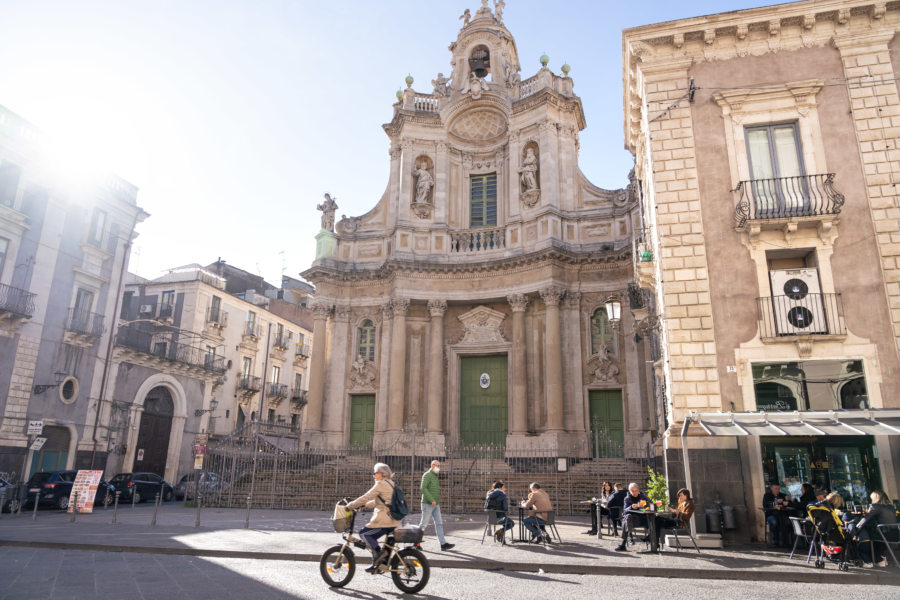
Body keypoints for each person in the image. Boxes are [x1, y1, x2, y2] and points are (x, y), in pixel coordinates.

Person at [346, 462, 401, 573]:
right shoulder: (391, 483)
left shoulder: (380, 484)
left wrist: (350, 506)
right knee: (384, 546)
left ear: (381, 473)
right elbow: (382, 500)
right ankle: (380, 564)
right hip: (395, 520)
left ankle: (378, 554)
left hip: (385, 520)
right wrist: (366, 505)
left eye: (375, 473)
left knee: (364, 533)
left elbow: (366, 496)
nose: (373, 475)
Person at [854, 490, 898, 567]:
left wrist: (856, 529)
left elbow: (865, 519)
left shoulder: (875, 506)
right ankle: (881, 559)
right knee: (875, 533)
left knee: (867, 533)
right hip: (895, 534)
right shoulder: (891, 507)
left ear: (876, 498)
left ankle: (871, 560)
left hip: (883, 535)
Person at [418, 460, 454, 551]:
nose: (438, 467)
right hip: (427, 504)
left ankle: (443, 544)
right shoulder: (427, 475)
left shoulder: (435, 476)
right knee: (423, 524)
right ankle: (416, 543)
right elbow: (423, 488)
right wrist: (431, 499)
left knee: (439, 524)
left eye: (439, 465)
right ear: (432, 466)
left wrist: (435, 501)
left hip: (435, 504)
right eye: (436, 465)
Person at [615, 482, 649, 552]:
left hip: (641, 519)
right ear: (629, 491)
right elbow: (625, 510)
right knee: (628, 517)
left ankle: (625, 543)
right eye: (632, 491)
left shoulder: (643, 497)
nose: (634, 493)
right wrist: (631, 507)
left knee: (626, 521)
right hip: (631, 520)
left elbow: (649, 506)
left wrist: (644, 507)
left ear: (638, 490)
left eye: (636, 491)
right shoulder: (627, 499)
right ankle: (630, 537)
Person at [762, 482, 790, 546]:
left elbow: (788, 503)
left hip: (782, 514)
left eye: (778, 489)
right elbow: (765, 505)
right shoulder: (767, 495)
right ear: (771, 488)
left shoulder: (782, 495)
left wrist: (788, 500)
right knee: (774, 522)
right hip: (771, 514)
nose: (777, 490)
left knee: (788, 522)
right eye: (776, 488)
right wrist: (775, 502)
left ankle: (786, 540)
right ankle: (775, 540)